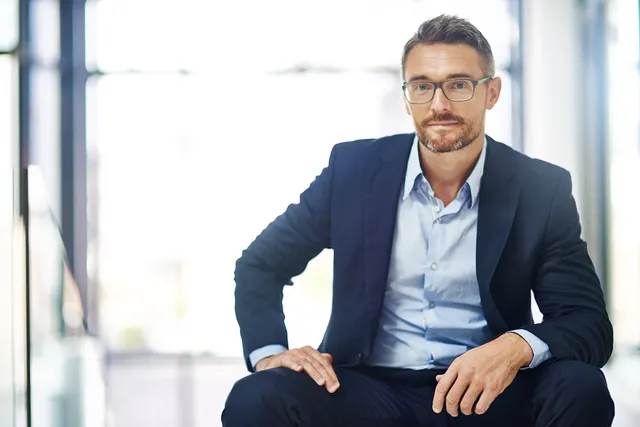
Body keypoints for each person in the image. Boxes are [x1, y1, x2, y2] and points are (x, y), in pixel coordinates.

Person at [222, 14, 615, 427]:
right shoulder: (354, 170)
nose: (439, 105)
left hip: (486, 392)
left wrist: (514, 347)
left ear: (492, 92)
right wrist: (269, 353)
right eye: (423, 86)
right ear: (407, 96)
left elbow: (587, 322)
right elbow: (259, 266)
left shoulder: (539, 188)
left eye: (459, 85)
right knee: (256, 397)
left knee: (581, 386)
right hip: (365, 388)